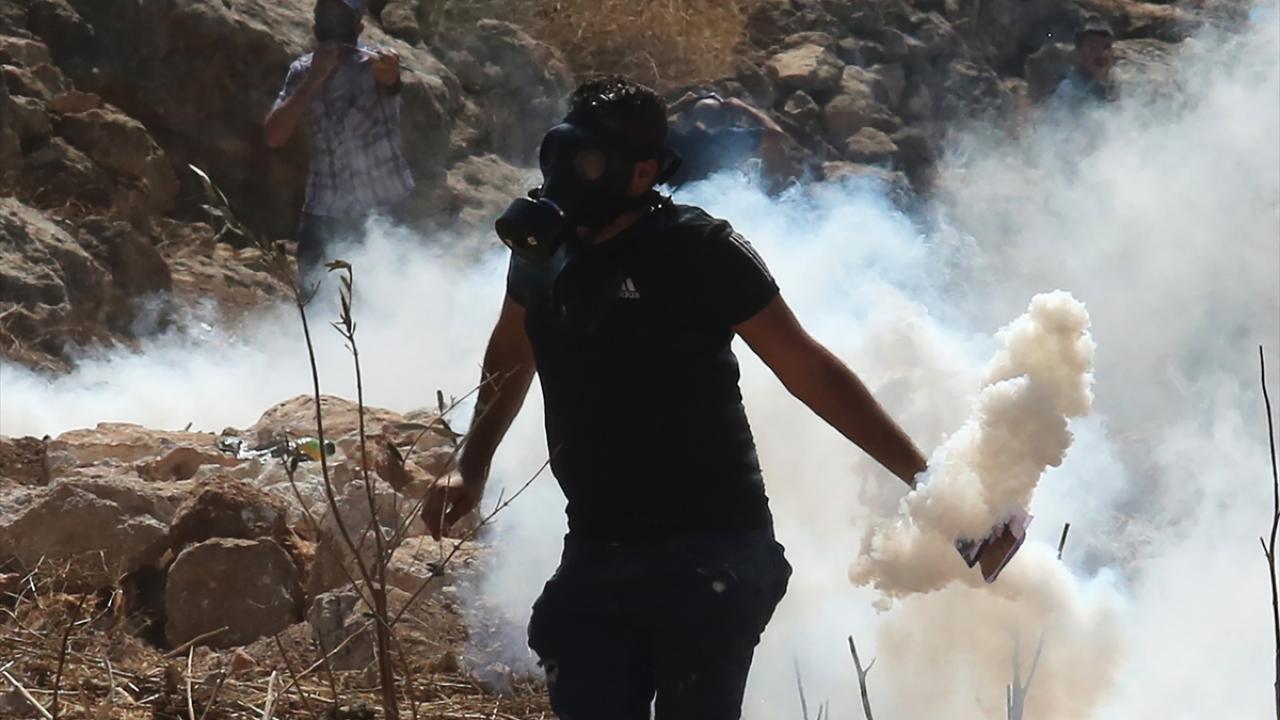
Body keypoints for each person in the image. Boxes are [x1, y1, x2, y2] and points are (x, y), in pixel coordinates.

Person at [417, 76, 931, 718]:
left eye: (587, 162)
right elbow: (511, 351)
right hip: (598, 544)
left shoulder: (700, 248)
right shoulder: (543, 253)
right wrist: (471, 464)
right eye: (559, 154)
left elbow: (807, 368)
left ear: (643, 173)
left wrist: (925, 479)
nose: (566, 177)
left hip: (715, 549)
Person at [264, 0, 413, 282]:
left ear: (359, 25)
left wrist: (391, 73)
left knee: (384, 297)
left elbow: (390, 80)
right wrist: (315, 78)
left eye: (339, 13)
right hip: (324, 212)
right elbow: (274, 136)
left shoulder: (374, 66)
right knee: (317, 299)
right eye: (324, 12)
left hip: (382, 212)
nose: (330, 20)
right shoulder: (302, 71)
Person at [665, 91, 789, 188]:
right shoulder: (726, 140)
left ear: (686, 118)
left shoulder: (672, 137)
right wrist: (744, 108)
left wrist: (676, 107)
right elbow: (776, 133)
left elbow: (651, 124)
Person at [1053, 16, 1117, 107]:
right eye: (1093, 48)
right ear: (1079, 54)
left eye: (1106, 47)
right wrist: (1096, 81)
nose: (1101, 54)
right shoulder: (1068, 88)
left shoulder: (1115, 84)